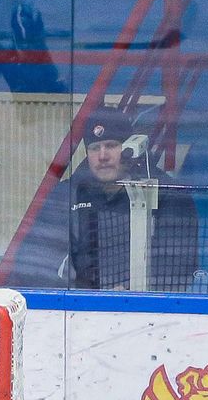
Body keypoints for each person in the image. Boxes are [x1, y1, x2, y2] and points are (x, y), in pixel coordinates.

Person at [67, 106, 199, 291]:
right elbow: (48, 259)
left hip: (148, 310)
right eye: (95, 148)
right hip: (82, 309)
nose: (103, 156)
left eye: (111, 145)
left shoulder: (167, 194)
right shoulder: (70, 193)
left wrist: (130, 292)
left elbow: (178, 265)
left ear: (129, 148)